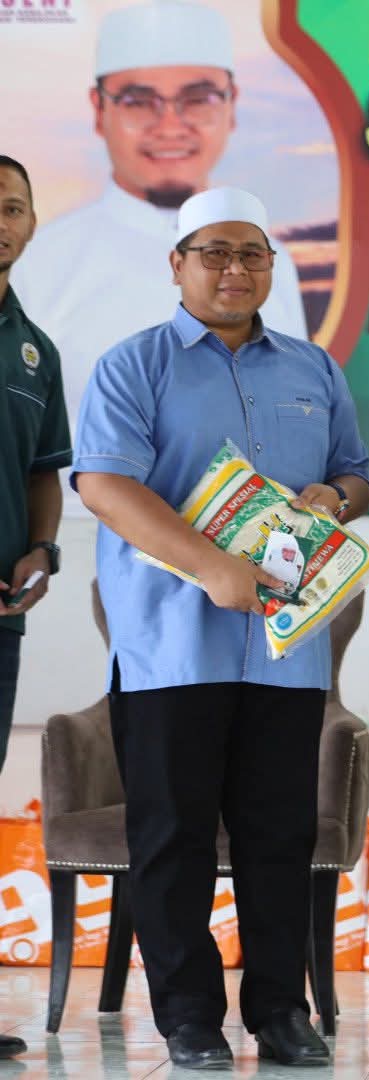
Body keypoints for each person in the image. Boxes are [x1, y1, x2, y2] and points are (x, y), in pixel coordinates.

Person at [73, 186, 369, 1070]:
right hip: (171, 647)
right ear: (178, 265)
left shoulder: (313, 369)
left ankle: (280, 1012)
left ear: (272, 267)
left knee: (280, 836)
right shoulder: (135, 366)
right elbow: (105, 486)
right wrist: (209, 565)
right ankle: (189, 1018)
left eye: (251, 254)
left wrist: (333, 498)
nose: (234, 269)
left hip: (286, 649)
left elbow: (356, 474)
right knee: (173, 837)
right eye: (214, 253)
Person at [12, 0, 306, 462]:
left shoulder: (273, 262)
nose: (170, 126)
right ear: (99, 109)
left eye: (198, 98)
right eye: (138, 101)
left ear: (232, 105)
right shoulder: (37, 263)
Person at [0, 153, 74, 1064]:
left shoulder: (35, 350)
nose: (1, 221)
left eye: (14, 207)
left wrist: (42, 550)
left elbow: (41, 472)